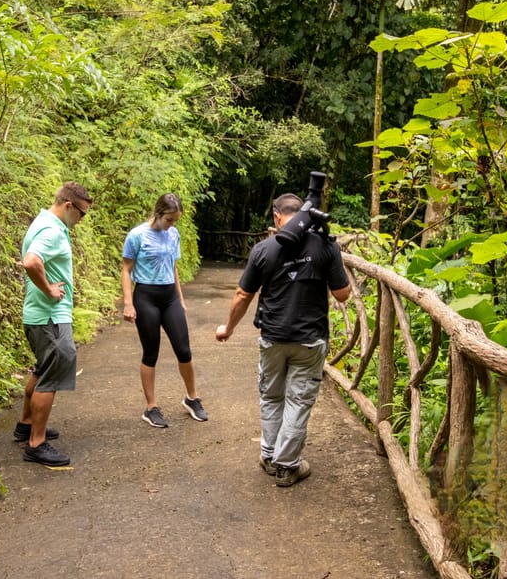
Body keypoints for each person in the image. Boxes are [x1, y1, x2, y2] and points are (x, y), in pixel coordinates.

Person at [215, 193, 351, 487]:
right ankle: (287, 465)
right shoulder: (325, 246)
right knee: (298, 401)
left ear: (277, 216)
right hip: (309, 339)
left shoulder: (264, 248)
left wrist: (228, 327)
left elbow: (243, 294)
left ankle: (269, 455)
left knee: (271, 396)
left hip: (273, 337)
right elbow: (342, 294)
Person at [14, 181, 93, 466]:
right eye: (82, 214)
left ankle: (25, 424)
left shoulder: (42, 222)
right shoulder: (52, 231)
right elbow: (31, 261)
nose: (82, 221)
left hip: (38, 315)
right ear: (68, 205)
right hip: (50, 317)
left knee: (43, 369)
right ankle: (36, 443)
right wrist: (49, 289)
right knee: (52, 376)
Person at [122, 193, 208, 428]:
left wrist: (180, 299)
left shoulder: (174, 234)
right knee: (151, 352)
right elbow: (126, 270)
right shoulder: (137, 235)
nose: (172, 224)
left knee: (184, 349)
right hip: (146, 297)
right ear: (158, 214)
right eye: (169, 219)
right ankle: (151, 407)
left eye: (175, 220)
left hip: (169, 296)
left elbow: (173, 267)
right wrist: (128, 304)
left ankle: (192, 398)